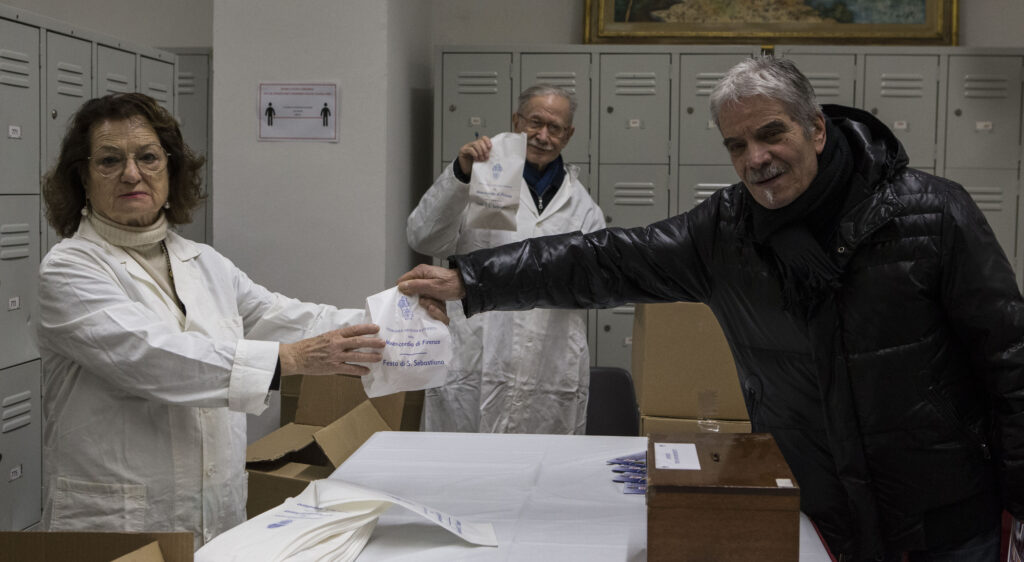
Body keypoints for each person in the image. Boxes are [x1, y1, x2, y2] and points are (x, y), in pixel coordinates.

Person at [398, 57, 1024, 560]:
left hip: (943, 518)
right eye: (736, 144)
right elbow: (603, 260)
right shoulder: (725, 233)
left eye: (771, 133)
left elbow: (1011, 360)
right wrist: (470, 279)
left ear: (815, 128)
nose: (756, 158)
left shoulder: (932, 214)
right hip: (815, 512)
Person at [36, 92, 385, 549]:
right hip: (119, 519)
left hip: (214, 510)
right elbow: (153, 357)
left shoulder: (203, 262)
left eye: (148, 157)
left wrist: (396, 318)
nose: (132, 173)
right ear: (82, 177)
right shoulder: (68, 269)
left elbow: (285, 317)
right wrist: (293, 360)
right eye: (109, 160)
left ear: (171, 169)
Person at [406, 84, 605, 434]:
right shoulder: (478, 179)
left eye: (555, 127)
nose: (543, 136)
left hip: (548, 363)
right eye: (535, 122)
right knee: (460, 459)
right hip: (475, 356)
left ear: (568, 135)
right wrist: (461, 176)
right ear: (517, 121)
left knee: (539, 461)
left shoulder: (583, 207)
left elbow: (596, 285)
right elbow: (424, 237)